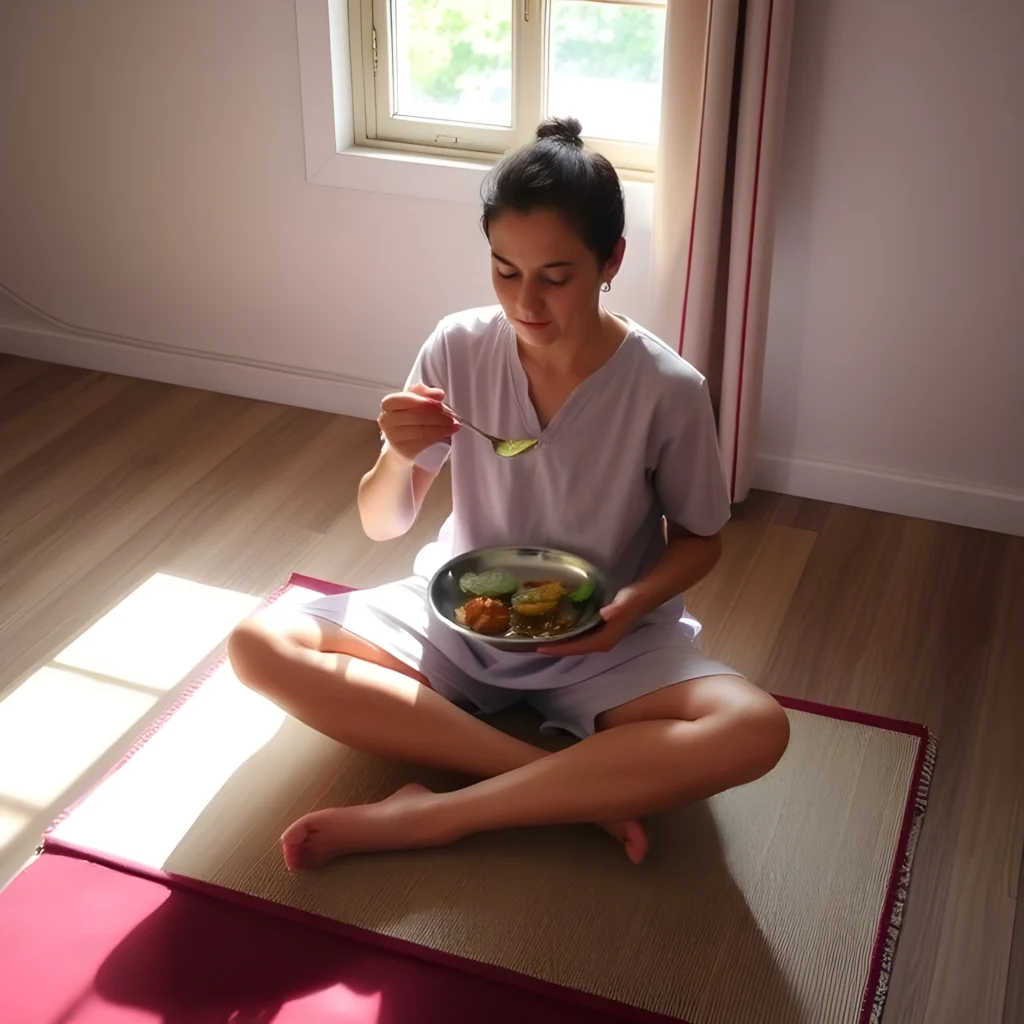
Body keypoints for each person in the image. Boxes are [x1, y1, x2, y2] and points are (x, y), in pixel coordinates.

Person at [227, 117, 790, 871]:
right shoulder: (457, 347)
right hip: (458, 617)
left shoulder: (667, 388)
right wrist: (397, 455)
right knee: (257, 642)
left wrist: (627, 610)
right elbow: (383, 522)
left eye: (555, 277)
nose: (526, 302)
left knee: (756, 727)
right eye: (504, 270)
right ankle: (542, 782)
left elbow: (700, 540)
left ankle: (443, 815)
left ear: (610, 260)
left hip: (601, 639)